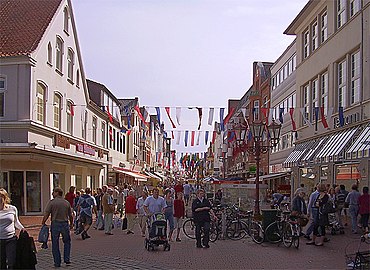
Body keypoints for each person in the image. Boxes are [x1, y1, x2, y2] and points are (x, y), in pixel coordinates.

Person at [41, 187, 73, 268]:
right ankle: (67, 259)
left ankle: (57, 262)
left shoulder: (52, 202)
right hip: (65, 223)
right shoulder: (66, 203)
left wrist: (43, 222)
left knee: (55, 243)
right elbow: (71, 215)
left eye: (53, 192)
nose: (52, 193)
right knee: (67, 241)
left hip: (55, 223)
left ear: (57, 192)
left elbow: (47, 213)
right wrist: (71, 223)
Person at [0, 188, 26, 269]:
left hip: (11, 239)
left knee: (11, 261)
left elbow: (16, 222)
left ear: (5, 198)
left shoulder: (12, 208)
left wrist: (22, 229)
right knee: (1, 262)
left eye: (1, 197)